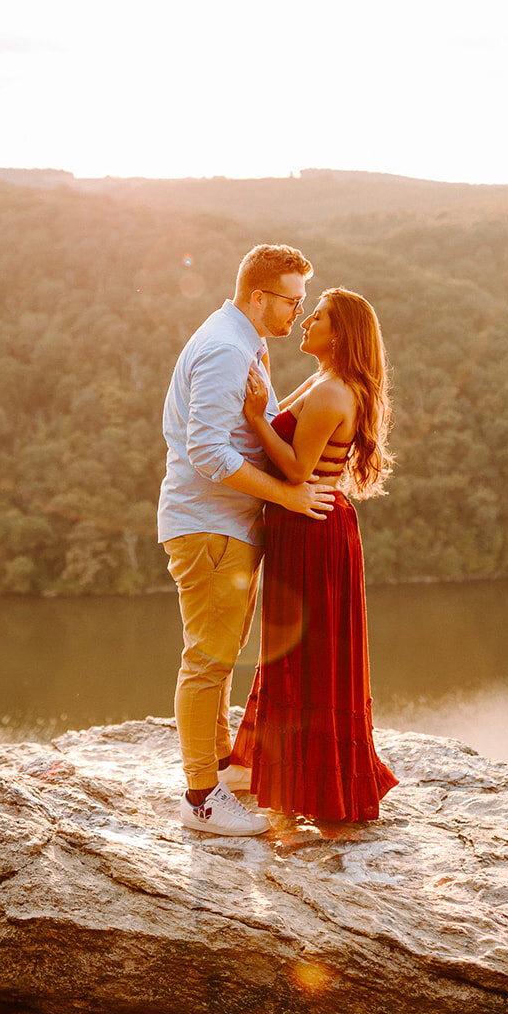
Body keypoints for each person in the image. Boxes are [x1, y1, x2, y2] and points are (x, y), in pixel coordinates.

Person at [158, 243, 337, 837]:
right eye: (291, 300)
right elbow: (209, 451)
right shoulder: (224, 349)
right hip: (209, 527)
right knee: (207, 661)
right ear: (258, 296)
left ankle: (223, 771)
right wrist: (287, 495)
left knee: (219, 655)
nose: (298, 312)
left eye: (303, 301)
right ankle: (201, 798)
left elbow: (240, 428)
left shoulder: (244, 342)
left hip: (227, 526)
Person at [228, 287, 398, 823]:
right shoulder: (326, 382)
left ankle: (310, 786)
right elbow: (288, 418)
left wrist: (255, 419)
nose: (306, 322)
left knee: (304, 655)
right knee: (297, 652)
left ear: (339, 333)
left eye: (317, 317)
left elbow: (298, 471)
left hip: (311, 528)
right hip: (307, 525)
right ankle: (291, 775)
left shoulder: (332, 394)